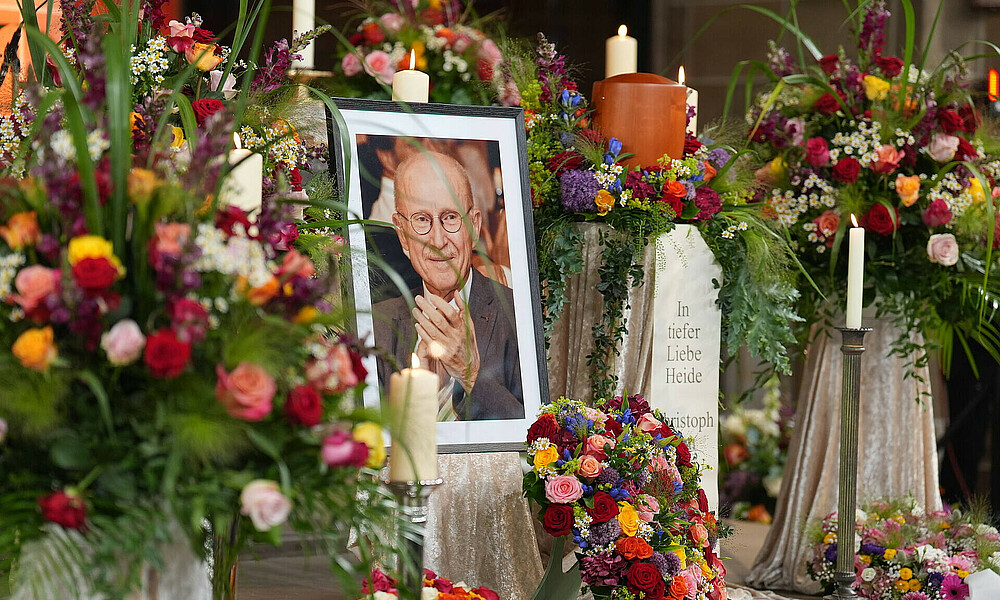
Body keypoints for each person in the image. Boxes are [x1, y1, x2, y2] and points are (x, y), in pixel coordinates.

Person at [372, 151, 523, 421]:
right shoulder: (377, 325)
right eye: (421, 220)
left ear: (474, 226)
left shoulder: (518, 314)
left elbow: (534, 440)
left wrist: (471, 375)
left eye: (450, 217)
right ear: (402, 235)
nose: (438, 240)